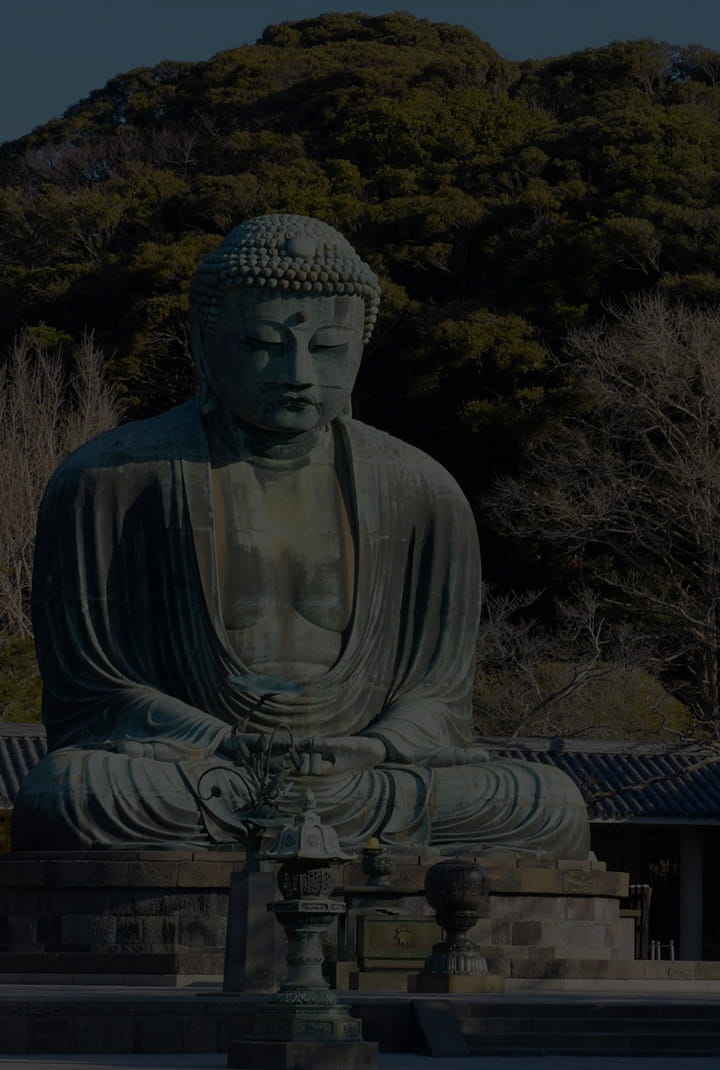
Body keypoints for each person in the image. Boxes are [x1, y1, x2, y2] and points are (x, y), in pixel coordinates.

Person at [13, 215, 589, 858]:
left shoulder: (423, 491)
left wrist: (372, 747)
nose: (296, 373)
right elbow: (93, 694)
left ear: (360, 350)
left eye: (326, 348)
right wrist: (224, 740)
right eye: (263, 342)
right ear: (206, 344)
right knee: (71, 790)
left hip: (364, 778)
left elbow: (439, 699)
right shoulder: (111, 479)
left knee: (547, 801)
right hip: (204, 772)